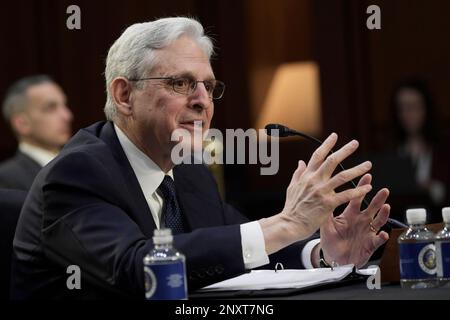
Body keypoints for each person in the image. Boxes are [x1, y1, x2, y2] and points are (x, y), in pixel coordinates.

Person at [11, 17, 391, 299]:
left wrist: (321, 253)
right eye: (180, 83)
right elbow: (141, 268)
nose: (202, 101)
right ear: (125, 95)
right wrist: (287, 223)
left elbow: (233, 245)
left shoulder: (189, 171)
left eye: (208, 86)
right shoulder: (78, 173)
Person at [0, 75, 73, 190]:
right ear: (22, 124)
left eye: (64, 105)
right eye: (51, 108)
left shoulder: (79, 164)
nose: (67, 116)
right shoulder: (6, 180)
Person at [389, 78, 449, 219]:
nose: (407, 114)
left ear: (426, 109)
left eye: (413, 107)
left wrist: (429, 187)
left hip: (438, 220)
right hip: (400, 222)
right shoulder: (392, 148)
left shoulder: (443, 149)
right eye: (402, 108)